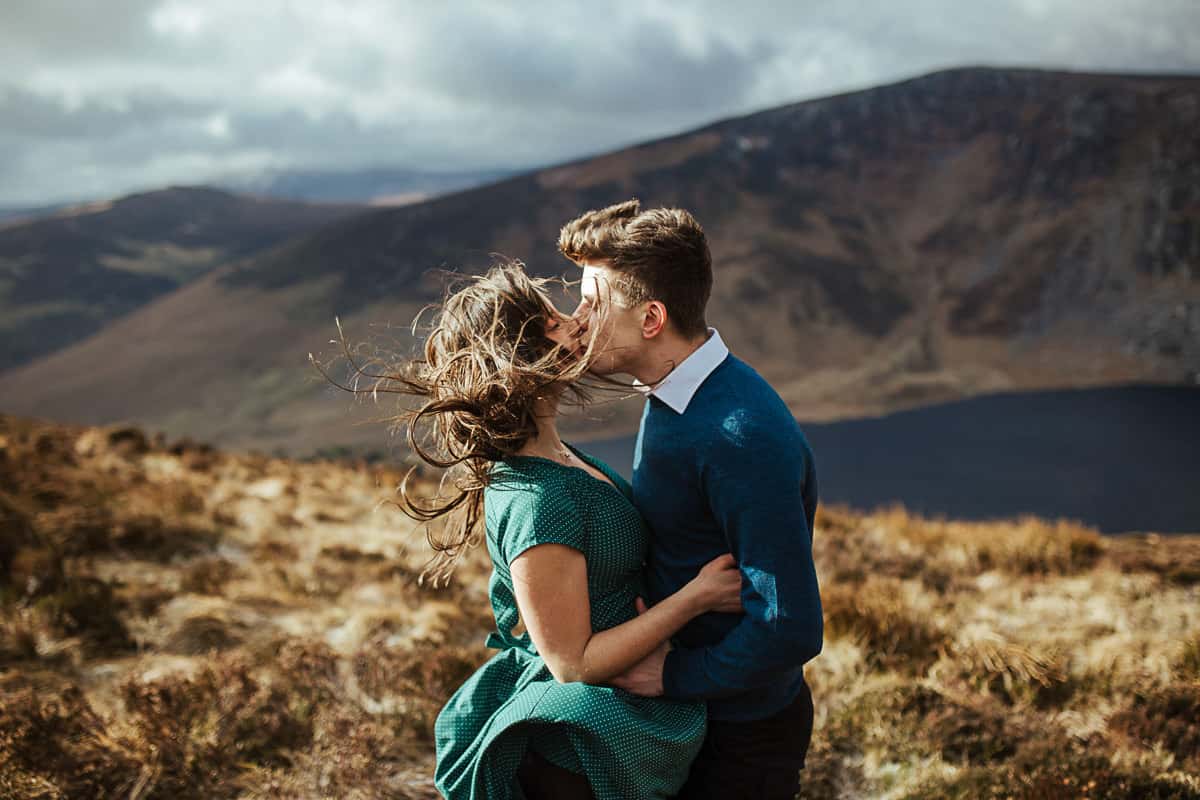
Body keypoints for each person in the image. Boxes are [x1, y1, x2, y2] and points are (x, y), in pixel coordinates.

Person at [371, 262, 746, 799]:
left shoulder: (559, 457)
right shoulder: (538, 500)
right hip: (575, 747)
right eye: (550, 322)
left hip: (614, 715)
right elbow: (574, 663)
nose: (575, 322)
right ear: (517, 352)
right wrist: (694, 599)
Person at [556, 199, 824, 800]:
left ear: (651, 318)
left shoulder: (738, 434)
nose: (578, 318)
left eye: (594, 303)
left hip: (741, 737)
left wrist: (673, 675)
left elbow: (790, 626)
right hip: (694, 718)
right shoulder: (673, 394)